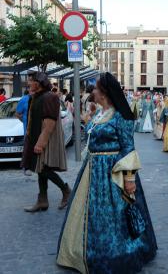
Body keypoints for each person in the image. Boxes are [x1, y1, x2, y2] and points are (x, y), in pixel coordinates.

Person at [57, 72, 157, 274]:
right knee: (91, 215)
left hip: (112, 173)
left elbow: (128, 148)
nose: (92, 91)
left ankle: (117, 255)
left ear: (104, 93)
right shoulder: (100, 113)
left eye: (95, 88)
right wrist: (89, 118)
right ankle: (81, 252)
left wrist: (129, 179)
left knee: (115, 216)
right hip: (92, 170)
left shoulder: (121, 116)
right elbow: (92, 137)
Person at [22, 72, 70, 212]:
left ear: (38, 83)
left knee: (43, 168)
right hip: (36, 138)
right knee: (40, 169)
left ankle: (65, 190)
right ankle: (42, 200)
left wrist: (40, 143)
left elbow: (49, 123)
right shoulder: (36, 97)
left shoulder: (50, 97)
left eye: (30, 81)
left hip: (45, 140)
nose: (28, 83)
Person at [16, 87, 32, 176]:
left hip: (38, 128)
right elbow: (18, 114)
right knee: (28, 148)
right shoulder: (24, 99)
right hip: (28, 129)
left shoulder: (39, 99)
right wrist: (25, 121)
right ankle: (27, 167)